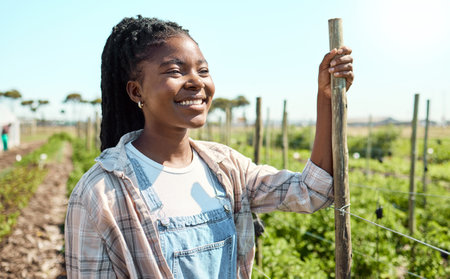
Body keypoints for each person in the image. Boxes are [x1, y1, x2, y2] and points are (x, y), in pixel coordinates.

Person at [65, 15, 354, 278]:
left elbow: (311, 192)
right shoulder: (100, 193)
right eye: (175, 71)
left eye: (203, 71)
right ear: (136, 90)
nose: (196, 82)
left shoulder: (227, 167)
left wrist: (326, 97)